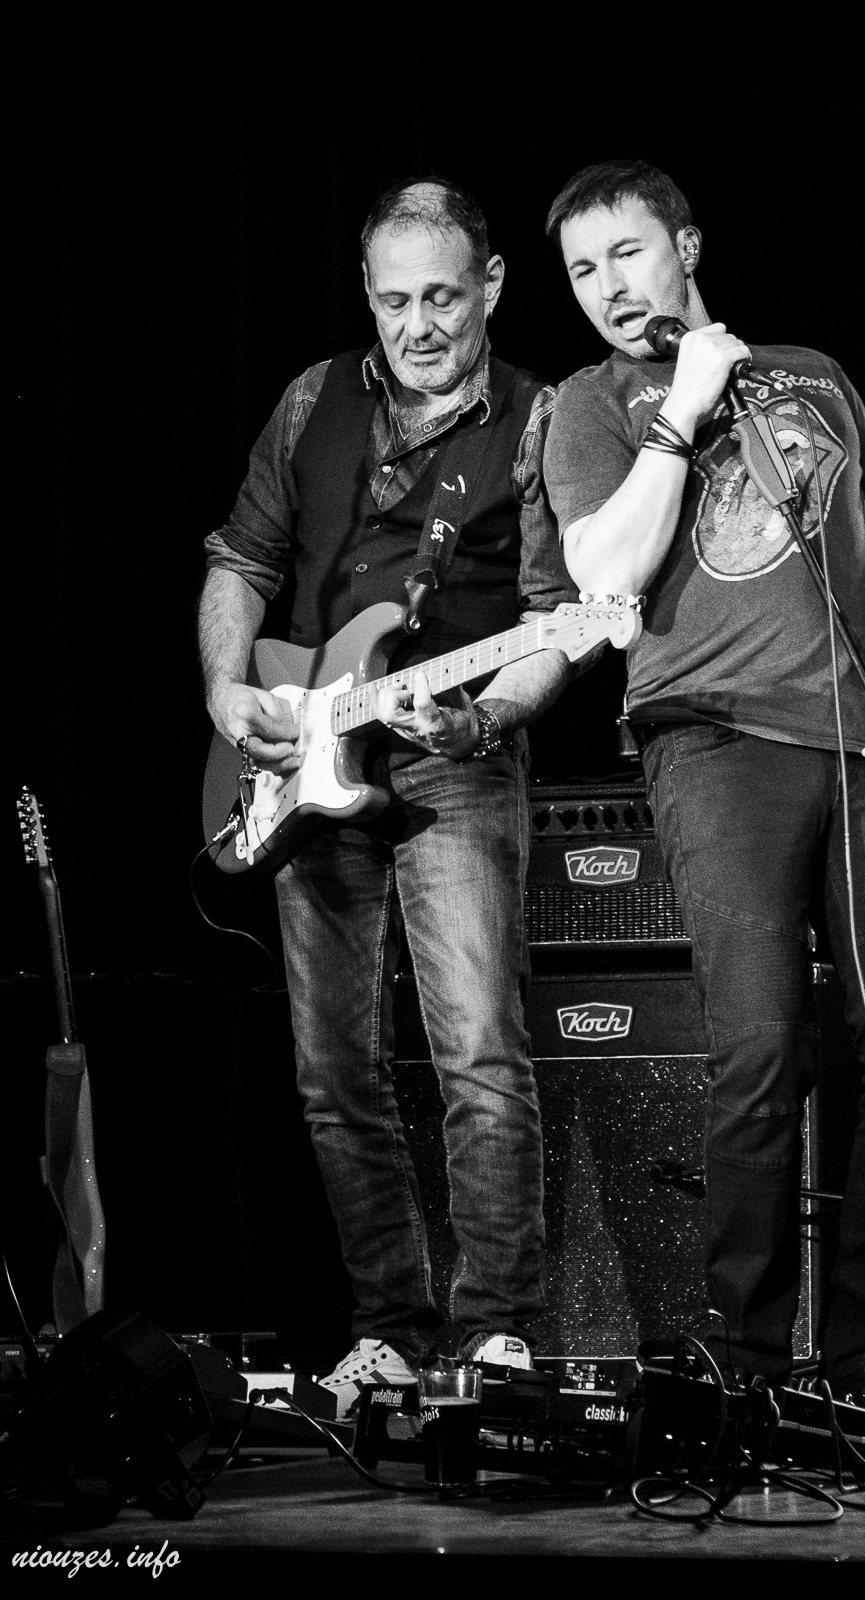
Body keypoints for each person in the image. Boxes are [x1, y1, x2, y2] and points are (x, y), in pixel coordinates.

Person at [542, 159, 865, 1420]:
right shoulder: (587, 405)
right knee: (758, 1047)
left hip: (860, 738)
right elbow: (603, 573)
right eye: (581, 270)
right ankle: (741, 1370)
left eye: (626, 252)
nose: (605, 287)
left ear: (684, 245)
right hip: (712, 742)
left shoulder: (809, 371)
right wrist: (677, 412)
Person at [199, 178, 579, 1416]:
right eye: (393, 298)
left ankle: (496, 1332)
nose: (418, 324)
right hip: (303, 759)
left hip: (451, 755)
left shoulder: (535, 418)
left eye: (443, 297)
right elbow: (241, 557)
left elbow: (550, 623)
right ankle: (389, 1332)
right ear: (365, 292)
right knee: (333, 1074)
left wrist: (484, 713)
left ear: (491, 287)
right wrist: (225, 690)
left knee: (477, 1053)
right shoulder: (311, 397)